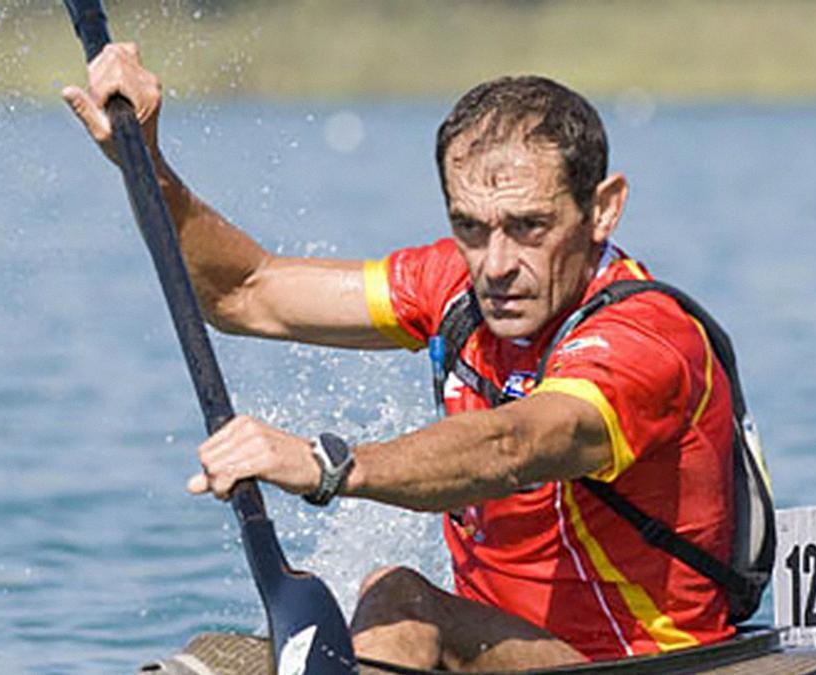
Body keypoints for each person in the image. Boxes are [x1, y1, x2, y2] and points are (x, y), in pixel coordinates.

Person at [63, 43, 737, 671]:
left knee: (399, 595)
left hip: (644, 663)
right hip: (500, 650)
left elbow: (518, 443)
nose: (497, 264)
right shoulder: (451, 287)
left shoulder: (646, 337)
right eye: (470, 228)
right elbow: (246, 291)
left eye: (530, 227)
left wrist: (326, 464)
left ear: (603, 209)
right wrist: (144, 161)